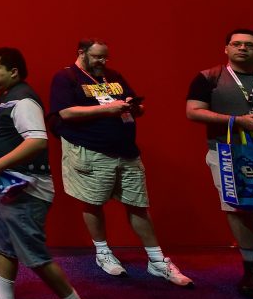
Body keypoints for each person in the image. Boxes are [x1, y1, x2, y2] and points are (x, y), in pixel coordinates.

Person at [0, 47, 109, 299]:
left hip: (25, 188)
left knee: (34, 255)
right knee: (4, 246)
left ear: (14, 71)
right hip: (5, 186)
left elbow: (37, 140)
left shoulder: (23, 99)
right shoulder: (5, 98)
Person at [49, 39, 192, 286]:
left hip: (126, 150)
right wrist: (108, 110)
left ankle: (157, 260)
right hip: (90, 150)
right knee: (93, 202)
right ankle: (103, 253)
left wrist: (135, 108)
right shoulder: (66, 77)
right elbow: (65, 113)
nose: (103, 62)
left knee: (137, 203)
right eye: (97, 57)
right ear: (81, 53)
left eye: (106, 57)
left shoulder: (112, 76)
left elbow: (131, 100)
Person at [185, 28, 253, 298]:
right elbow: (193, 112)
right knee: (238, 210)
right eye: (237, 44)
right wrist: (236, 121)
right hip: (227, 154)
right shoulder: (209, 77)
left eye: (250, 45)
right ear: (226, 48)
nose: (242, 48)